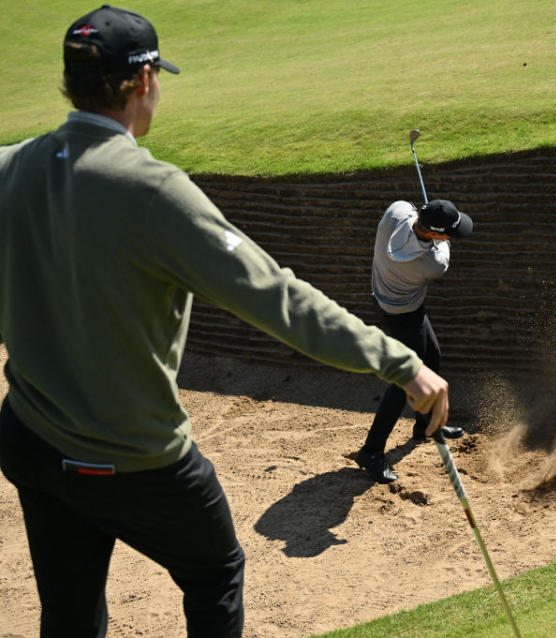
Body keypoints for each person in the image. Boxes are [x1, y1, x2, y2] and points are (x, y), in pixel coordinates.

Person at [0, 6, 449, 637]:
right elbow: (280, 302)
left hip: (33, 442)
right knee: (214, 575)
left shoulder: (9, 166)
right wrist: (402, 363)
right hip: (136, 458)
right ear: (143, 81)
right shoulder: (154, 191)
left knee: (69, 615)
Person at [355, 198, 473, 483]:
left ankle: (427, 426)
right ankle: (371, 451)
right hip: (403, 315)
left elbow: (410, 209)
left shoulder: (396, 213)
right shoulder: (432, 263)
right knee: (407, 379)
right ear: (435, 235)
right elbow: (441, 249)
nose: (450, 237)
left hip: (386, 302)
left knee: (432, 356)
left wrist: (432, 215)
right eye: (447, 233)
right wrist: (437, 231)